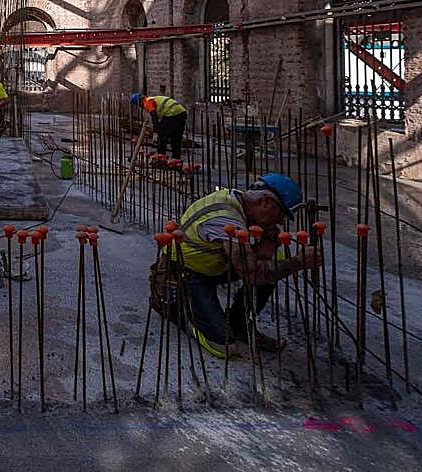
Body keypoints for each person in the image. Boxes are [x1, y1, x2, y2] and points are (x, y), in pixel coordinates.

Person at [161, 173, 318, 359]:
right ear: (266, 202)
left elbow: (261, 268)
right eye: (281, 214)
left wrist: (267, 251)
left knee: (276, 260)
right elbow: (252, 274)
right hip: (186, 271)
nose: (280, 222)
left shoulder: (239, 205)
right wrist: (298, 262)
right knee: (222, 346)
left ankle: (238, 324)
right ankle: (180, 310)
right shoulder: (225, 218)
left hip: (213, 266)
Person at [131, 91, 186, 159]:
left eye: (139, 106)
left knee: (162, 134)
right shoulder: (152, 99)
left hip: (172, 113)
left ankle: (160, 157)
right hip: (182, 113)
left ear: (139, 102)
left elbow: (154, 117)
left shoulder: (147, 102)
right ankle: (176, 159)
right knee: (175, 138)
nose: (141, 108)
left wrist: (155, 132)